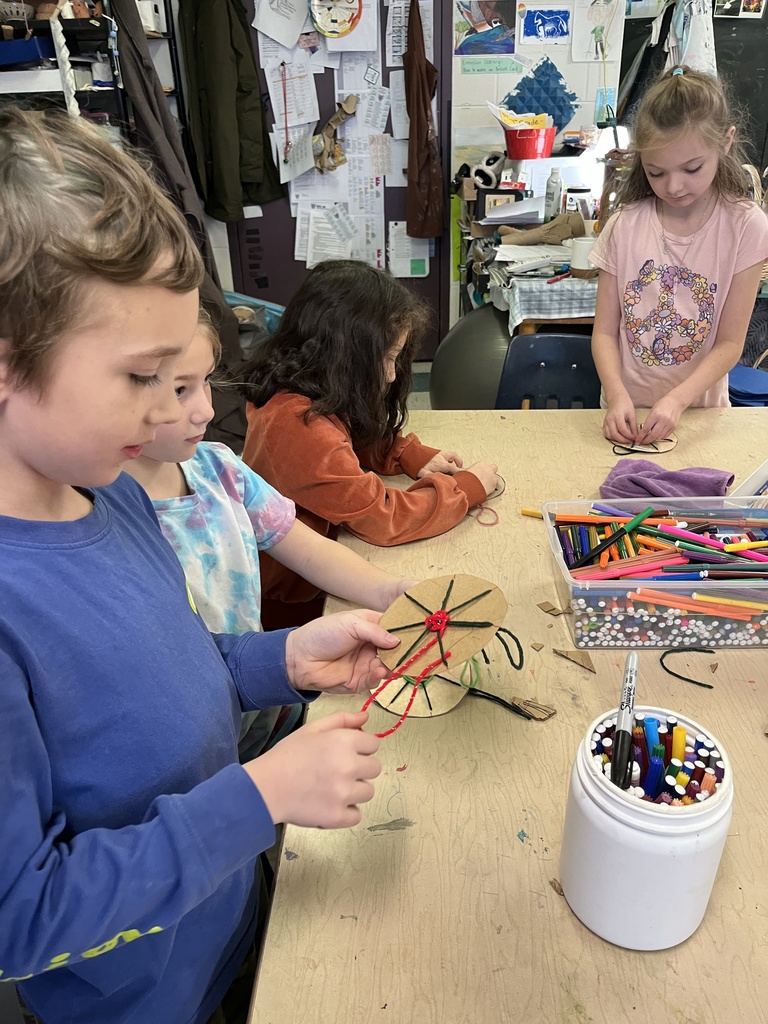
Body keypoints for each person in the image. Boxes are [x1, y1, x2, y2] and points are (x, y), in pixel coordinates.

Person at [0, 107, 400, 1024]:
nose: (172, 410)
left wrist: (282, 658)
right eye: (142, 376)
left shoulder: (112, 494)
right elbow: (20, 919)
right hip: (139, 1001)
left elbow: (180, 662)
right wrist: (258, 797)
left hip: (228, 924)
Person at [124, 307, 415, 761]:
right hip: (200, 747)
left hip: (267, 692)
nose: (206, 410)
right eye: (180, 390)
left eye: (206, 381)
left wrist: (391, 591)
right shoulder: (103, 517)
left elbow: (309, 550)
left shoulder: (219, 467)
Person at [239, 260, 499, 627]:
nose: (392, 375)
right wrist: (467, 489)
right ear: (345, 355)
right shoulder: (298, 425)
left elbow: (348, 438)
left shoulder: (302, 389)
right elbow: (382, 517)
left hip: (310, 578)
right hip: (293, 603)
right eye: (388, 358)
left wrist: (407, 454)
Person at [590, 65, 768, 445]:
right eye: (656, 173)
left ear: (725, 142)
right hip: (624, 414)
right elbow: (603, 332)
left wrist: (676, 400)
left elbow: (729, 344)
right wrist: (616, 395)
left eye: (692, 169)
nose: (673, 187)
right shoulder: (624, 225)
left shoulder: (746, 226)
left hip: (699, 414)